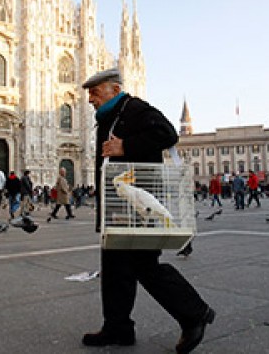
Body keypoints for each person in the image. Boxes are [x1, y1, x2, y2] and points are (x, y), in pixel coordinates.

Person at [81, 67, 214, 353]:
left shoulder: (136, 108)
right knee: (115, 268)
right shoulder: (110, 116)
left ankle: (195, 313)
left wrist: (126, 146)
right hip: (119, 203)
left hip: (140, 205)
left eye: (95, 92)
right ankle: (117, 328)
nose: (90, 98)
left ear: (114, 90)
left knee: (144, 265)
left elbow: (167, 134)